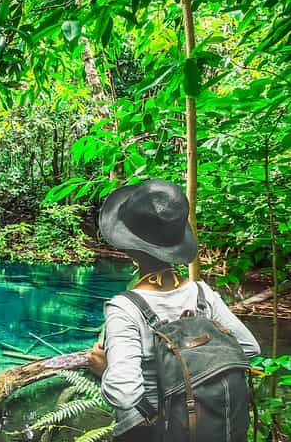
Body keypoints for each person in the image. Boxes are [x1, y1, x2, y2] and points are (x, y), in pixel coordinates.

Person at [86, 178, 260, 442]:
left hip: (150, 432)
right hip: (206, 426)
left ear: (130, 248)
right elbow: (248, 348)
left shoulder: (125, 308)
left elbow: (123, 393)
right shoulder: (203, 295)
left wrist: (104, 368)